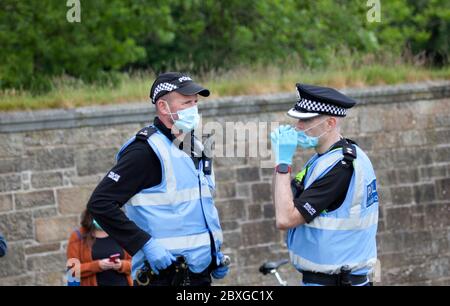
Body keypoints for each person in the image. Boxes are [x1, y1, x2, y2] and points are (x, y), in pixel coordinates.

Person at [87, 72, 228, 286]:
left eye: (195, 102)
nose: (194, 108)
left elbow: (198, 210)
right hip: (163, 277)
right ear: (163, 107)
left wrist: (212, 252)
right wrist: (145, 244)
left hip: (199, 276)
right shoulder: (145, 151)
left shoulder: (195, 146)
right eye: (186, 102)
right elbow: (100, 203)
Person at [271, 83, 379, 286]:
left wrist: (283, 164)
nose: (298, 126)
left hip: (336, 281)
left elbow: (284, 219)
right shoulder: (324, 159)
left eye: (306, 120)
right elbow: (285, 202)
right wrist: (280, 162)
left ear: (330, 123)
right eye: (298, 119)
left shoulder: (340, 167)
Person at [66, 209, 133, 286]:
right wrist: (98, 265)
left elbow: (135, 264)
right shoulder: (78, 236)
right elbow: (72, 272)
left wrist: (121, 265)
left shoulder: (120, 233)